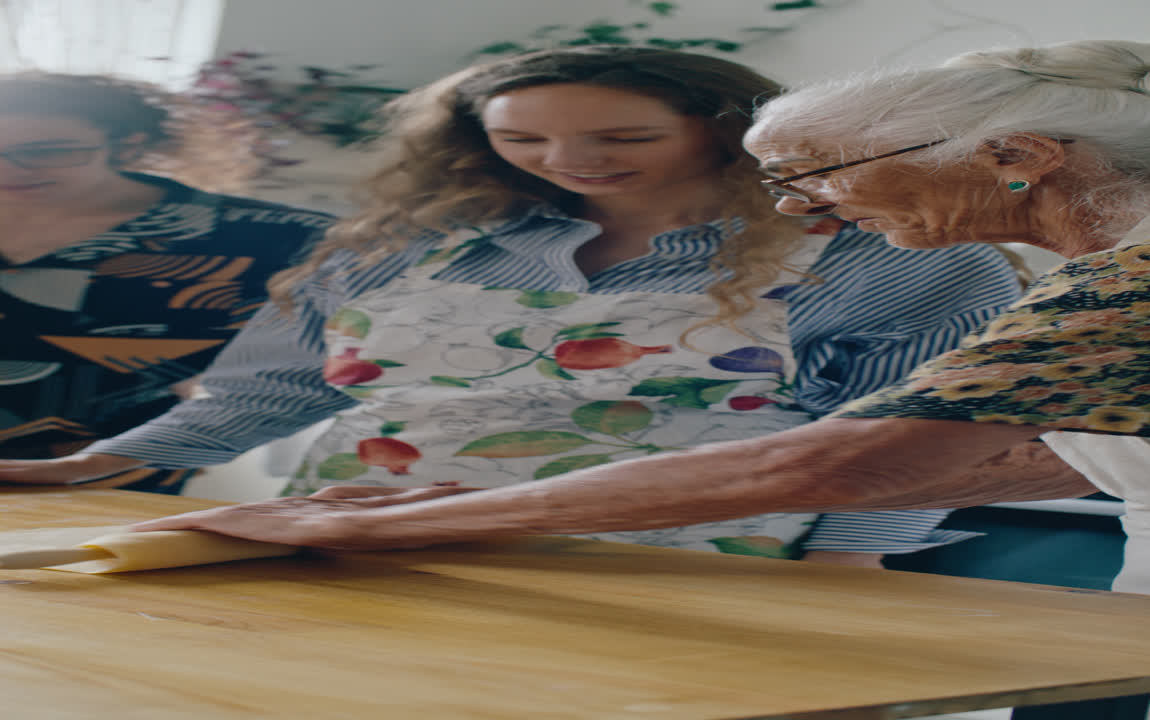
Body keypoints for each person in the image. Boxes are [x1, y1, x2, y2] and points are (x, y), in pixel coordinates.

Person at [129, 41, 1150, 718]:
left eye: (816, 179)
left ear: (1018, 160)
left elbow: (842, 458)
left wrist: (427, 523)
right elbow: (1032, 446)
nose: (800, 210)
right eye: (781, 185)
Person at [0, 47, 1024, 562]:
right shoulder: (400, 249)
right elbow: (265, 390)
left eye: (621, 140)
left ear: (731, 130)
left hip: (696, 568)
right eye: (522, 141)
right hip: (357, 545)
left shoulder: (881, 260)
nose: (567, 163)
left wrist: (847, 581)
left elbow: (904, 446)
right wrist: (89, 468)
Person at [0, 72, 333, 494]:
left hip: (104, 489)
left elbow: (304, 376)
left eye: (46, 151)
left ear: (129, 145)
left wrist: (169, 444)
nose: (8, 167)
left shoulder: (279, 238)